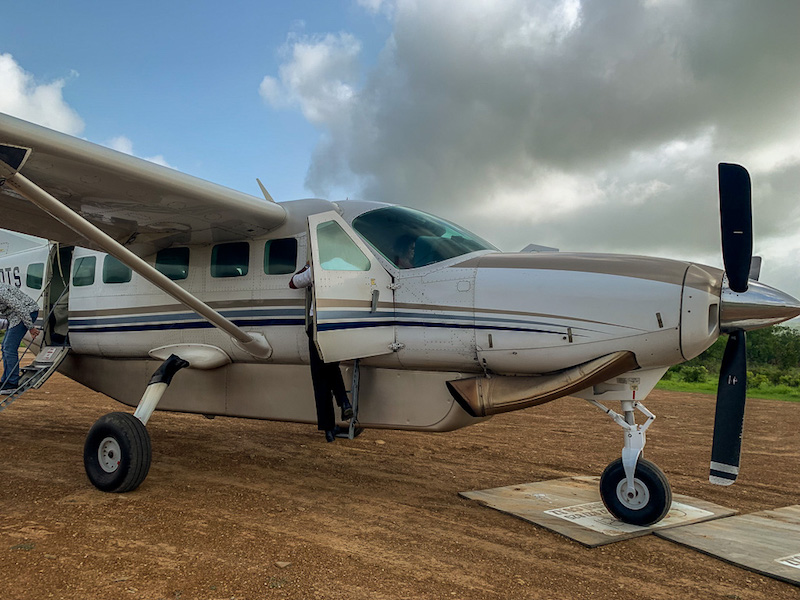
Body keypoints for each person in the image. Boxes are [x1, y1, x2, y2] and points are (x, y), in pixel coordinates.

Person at [289, 262, 353, 442]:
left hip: (319, 324)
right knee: (332, 367)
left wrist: (307, 265)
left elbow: (293, 283)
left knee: (320, 378)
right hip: (339, 323)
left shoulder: (317, 266)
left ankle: (329, 428)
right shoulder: (348, 265)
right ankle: (344, 401)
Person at [0, 284, 40, 394]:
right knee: (5, 347)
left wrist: (30, 327)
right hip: (14, 317)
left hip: (26, 312)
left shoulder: (1, 292)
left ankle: (12, 383)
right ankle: (6, 381)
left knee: (9, 348)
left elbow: (20, 307)